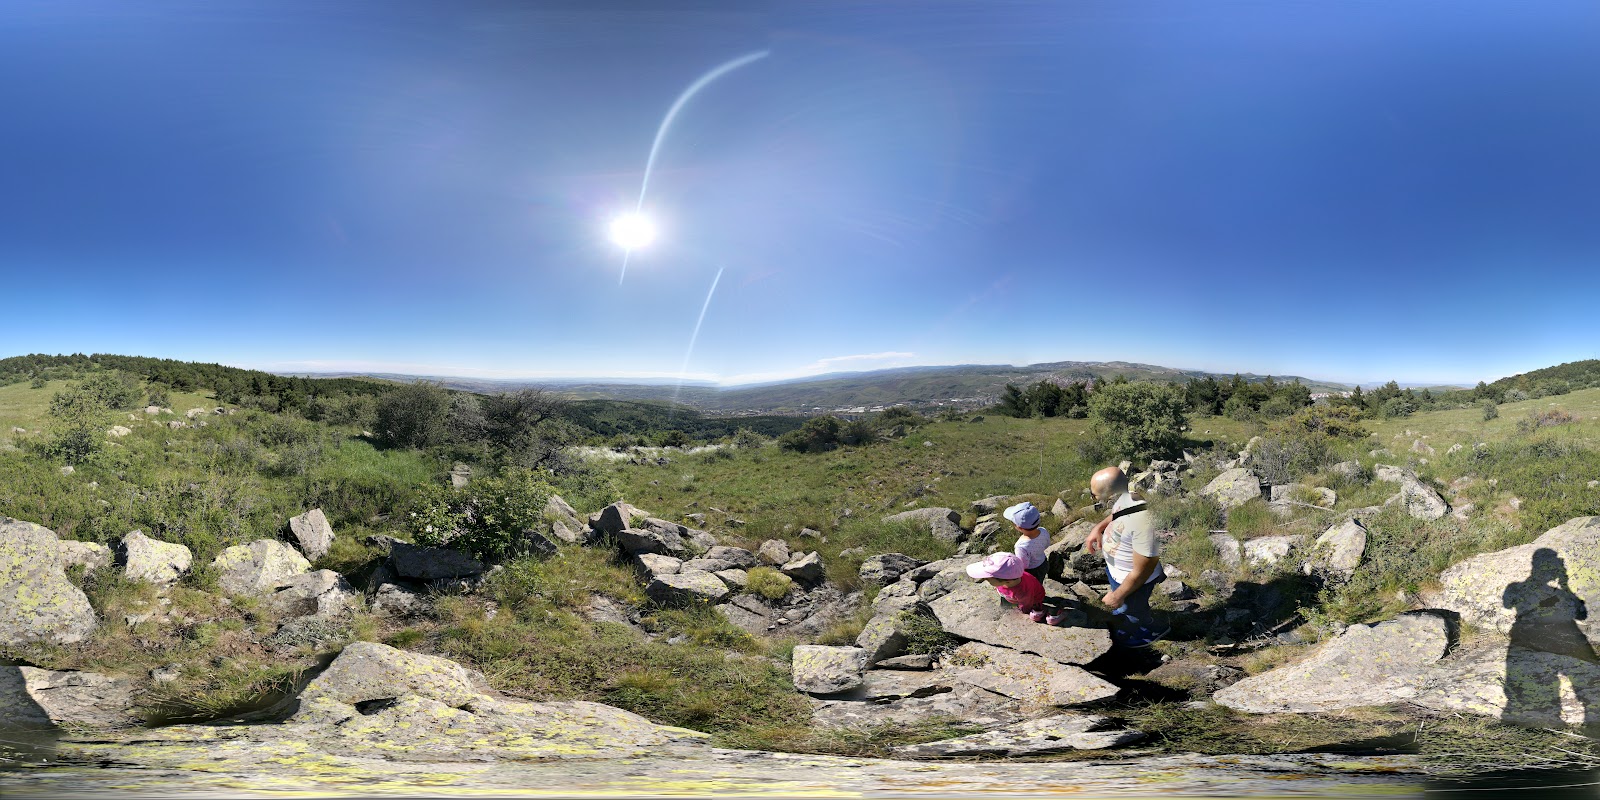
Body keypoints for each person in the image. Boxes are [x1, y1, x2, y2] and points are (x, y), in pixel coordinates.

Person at [1083, 465, 1170, 647]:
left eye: (1094, 495)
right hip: (1118, 572)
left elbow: (1143, 568)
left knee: (1135, 609)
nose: (1092, 498)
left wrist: (1118, 595)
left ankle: (1149, 629)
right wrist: (1097, 528)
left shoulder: (1142, 524)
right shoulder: (1128, 499)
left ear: (1109, 495)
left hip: (1135, 582)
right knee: (1127, 605)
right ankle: (1126, 609)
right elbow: (1117, 515)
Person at [965, 552, 1065, 625]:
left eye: (988, 579)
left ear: (1007, 581)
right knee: (1006, 604)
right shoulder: (1011, 577)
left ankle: (1044, 611)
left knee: (1034, 614)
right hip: (1010, 597)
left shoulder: (1022, 592)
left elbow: (1027, 603)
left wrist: (1024, 610)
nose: (985, 579)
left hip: (1030, 599)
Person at [1002, 501, 1051, 585]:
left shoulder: (1021, 546)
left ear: (1019, 527)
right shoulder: (1043, 530)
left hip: (1032, 571)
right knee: (1039, 582)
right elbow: (1046, 544)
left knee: (1032, 586)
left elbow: (1023, 565)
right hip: (1043, 563)